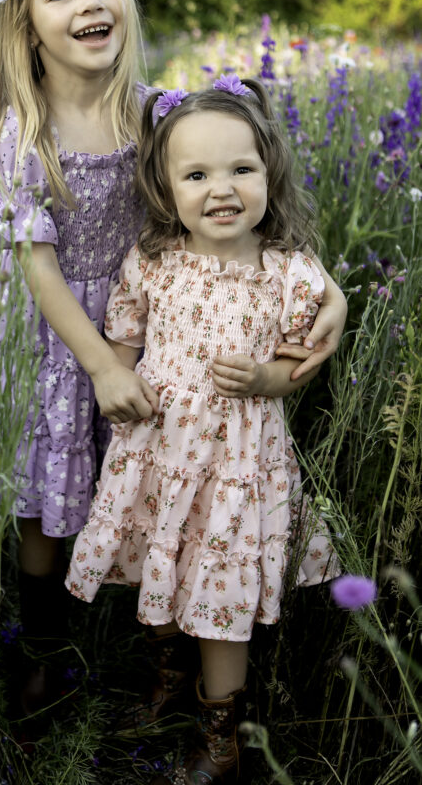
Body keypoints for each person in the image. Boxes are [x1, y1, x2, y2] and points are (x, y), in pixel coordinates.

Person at [0, 0, 345, 717]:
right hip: (52, 338)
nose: (90, 3)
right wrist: (98, 364)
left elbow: (254, 218)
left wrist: (330, 295)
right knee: (43, 507)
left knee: (148, 485)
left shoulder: (153, 114)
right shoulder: (12, 130)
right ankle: (44, 649)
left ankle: (149, 644)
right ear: (23, 19)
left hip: (156, 334)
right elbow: (38, 268)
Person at [65, 77, 340, 783]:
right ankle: (167, 678)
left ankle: (221, 732)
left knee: (222, 599)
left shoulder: (289, 274)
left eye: (240, 170)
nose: (221, 189)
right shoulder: (152, 261)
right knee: (158, 570)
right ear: (164, 188)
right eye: (196, 175)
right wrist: (117, 386)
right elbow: (123, 342)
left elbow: (295, 367)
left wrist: (262, 380)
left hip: (237, 465)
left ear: (268, 175)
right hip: (159, 453)